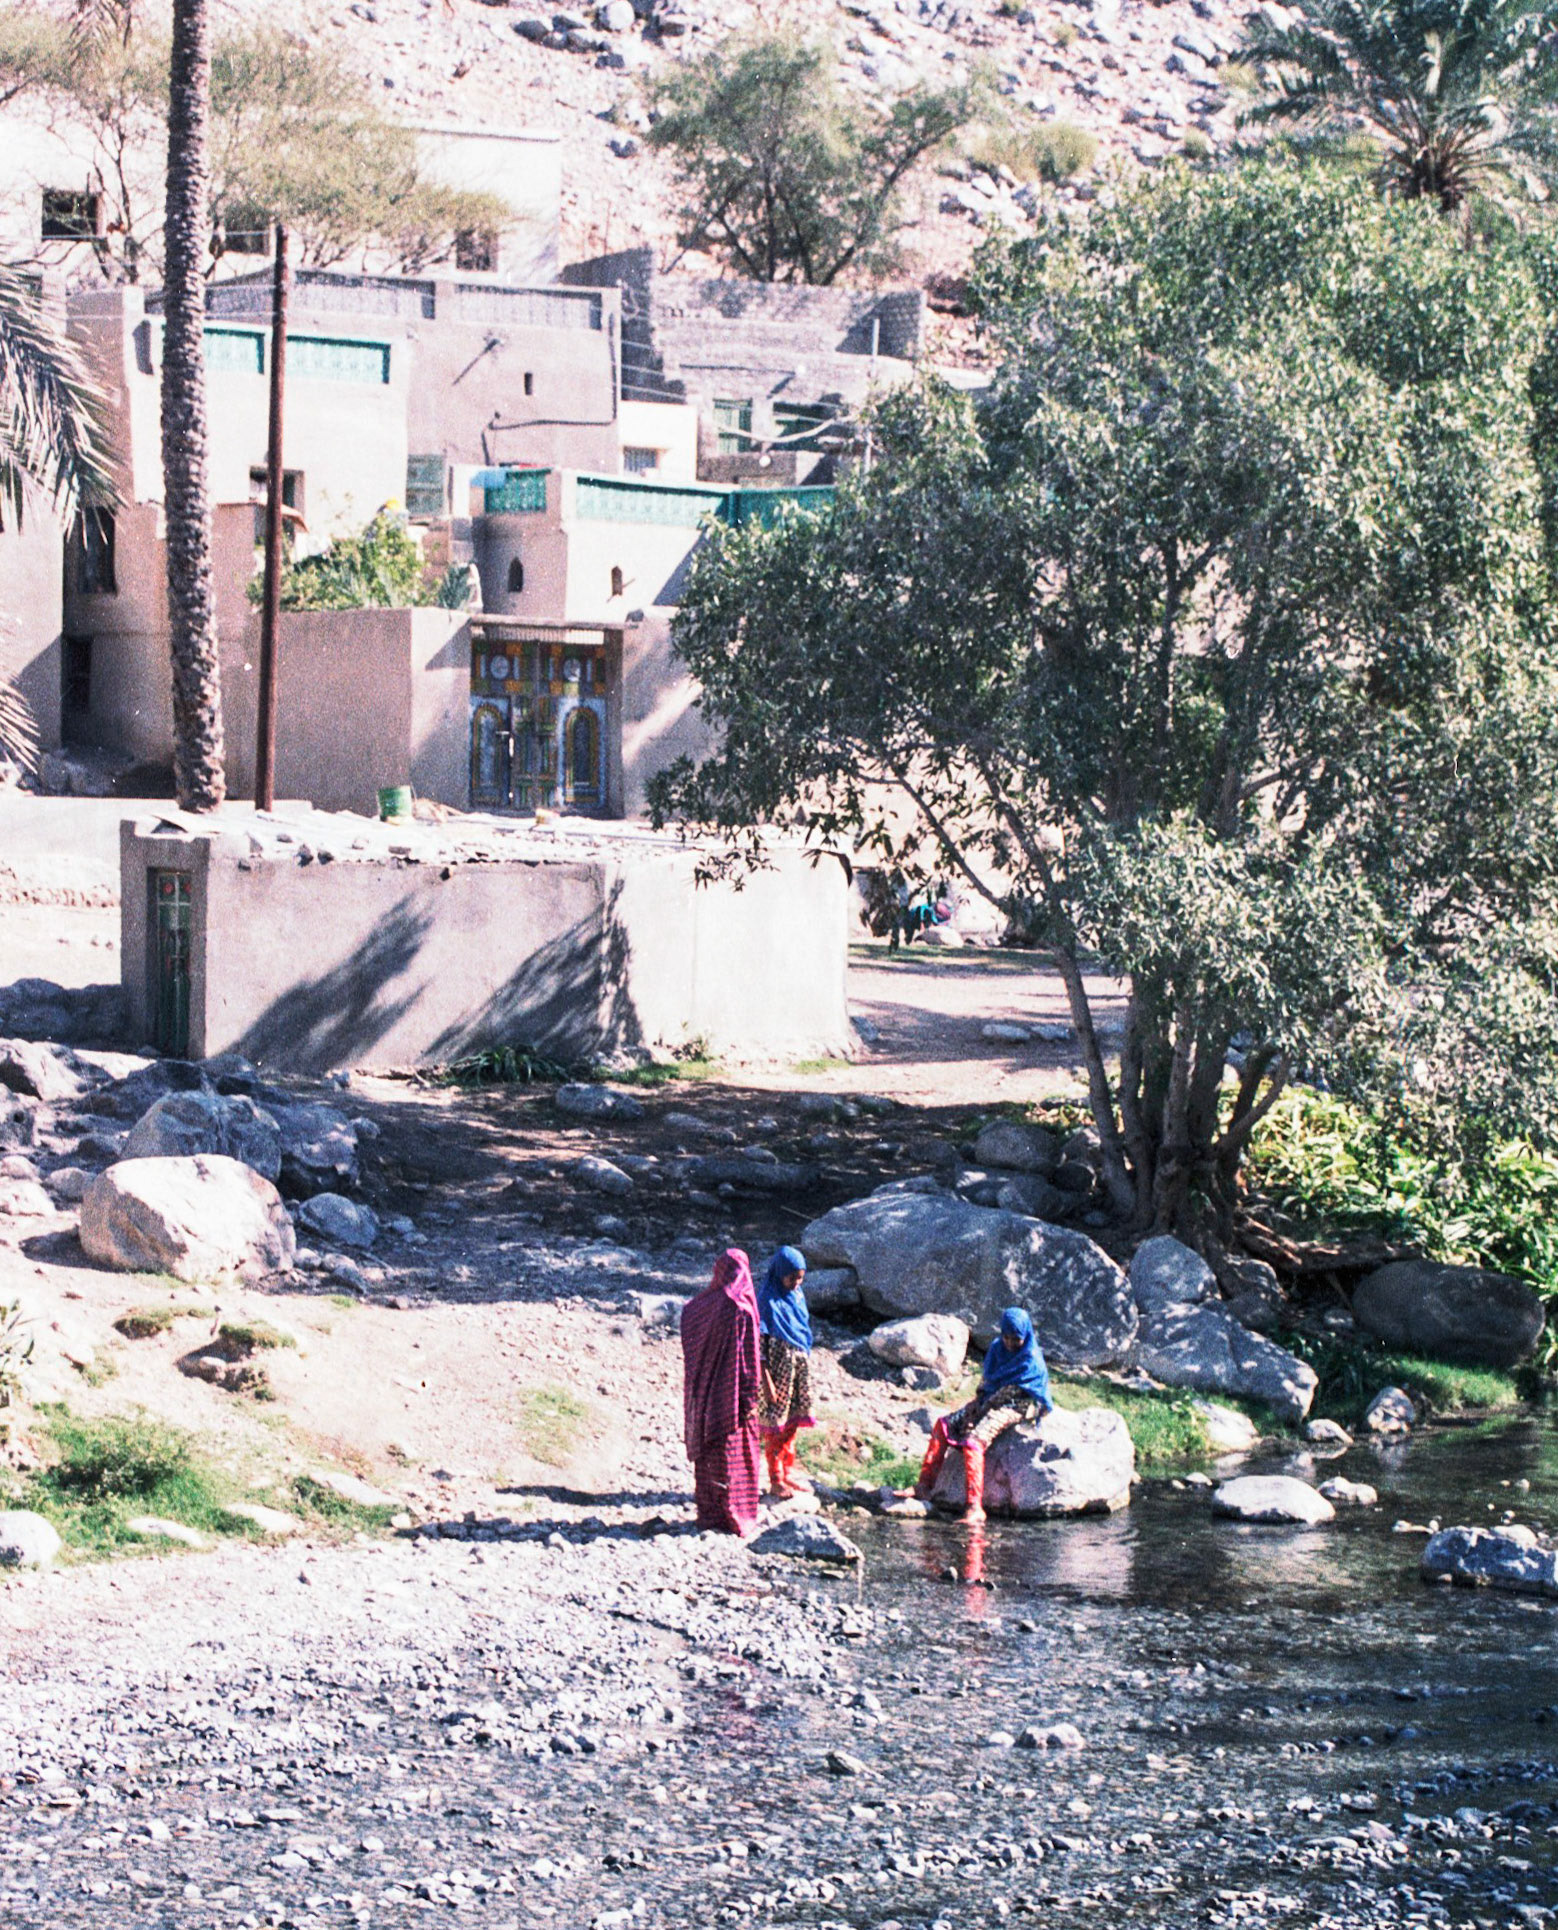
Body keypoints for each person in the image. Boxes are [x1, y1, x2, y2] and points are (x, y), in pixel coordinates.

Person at [913, 1306, 1052, 1525]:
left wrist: (982, 1409)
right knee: (943, 1425)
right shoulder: (997, 1349)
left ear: (1025, 1335)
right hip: (989, 1399)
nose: (1010, 1343)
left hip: (1020, 1403)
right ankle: (924, 1486)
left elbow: (1012, 1391)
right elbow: (987, 1381)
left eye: (1015, 1339)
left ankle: (975, 1508)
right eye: (1006, 1337)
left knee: (973, 1443)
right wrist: (975, 1404)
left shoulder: (1030, 1358)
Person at [680, 1248, 762, 1536]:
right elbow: (748, 1360)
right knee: (736, 1453)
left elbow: (689, 1333)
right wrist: (750, 1397)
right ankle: (736, 1515)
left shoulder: (699, 1307)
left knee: (710, 1453)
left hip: (704, 1397)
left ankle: (710, 1515)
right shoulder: (741, 1308)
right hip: (733, 1398)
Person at [756, 1245, 815, 1497]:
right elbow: (758, 1348)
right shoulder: (767, 1302)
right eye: (792, 1277)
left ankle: (787, 1472)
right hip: (778, 1374)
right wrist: (767, 1381)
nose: (796, 1282)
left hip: (798, 1370)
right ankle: (775, 1478)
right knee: (775, 1426)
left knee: (793, 1423)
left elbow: (802, 1332)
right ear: (779, 1273)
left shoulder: (798, 1297)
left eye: (800, 1277)